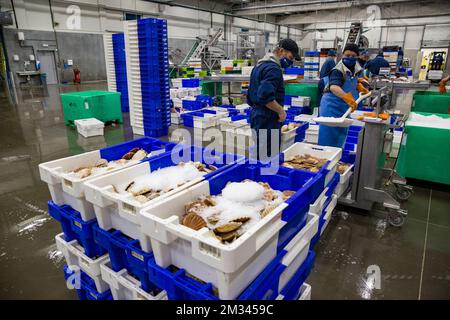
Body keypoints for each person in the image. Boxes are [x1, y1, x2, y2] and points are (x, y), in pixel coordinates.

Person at [247, 38, 300, 160]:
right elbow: (265, 96)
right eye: (291, 58)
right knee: (268, 157)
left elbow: (250, 96)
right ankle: (264, 177)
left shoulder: (259, 66)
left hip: (257, 116)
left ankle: (257, 176)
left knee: (260, 153)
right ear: (281, 51)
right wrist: (280, 111)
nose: (291, 62)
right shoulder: (273, 69)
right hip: (268, 119)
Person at [318, 43, 368, 148]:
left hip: (344, 107)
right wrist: (348, 98)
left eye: (353, 56)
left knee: (340, 135)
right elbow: (334, 87)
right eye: (347, 55)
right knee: (328, 136)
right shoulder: (338, 69)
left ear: (357, 57)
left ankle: (336, 159)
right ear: (343, 55)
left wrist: (358, 84)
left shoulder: (356, 67)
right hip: (331, 106)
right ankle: (325, 159)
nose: (350, 58)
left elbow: (351, 79)